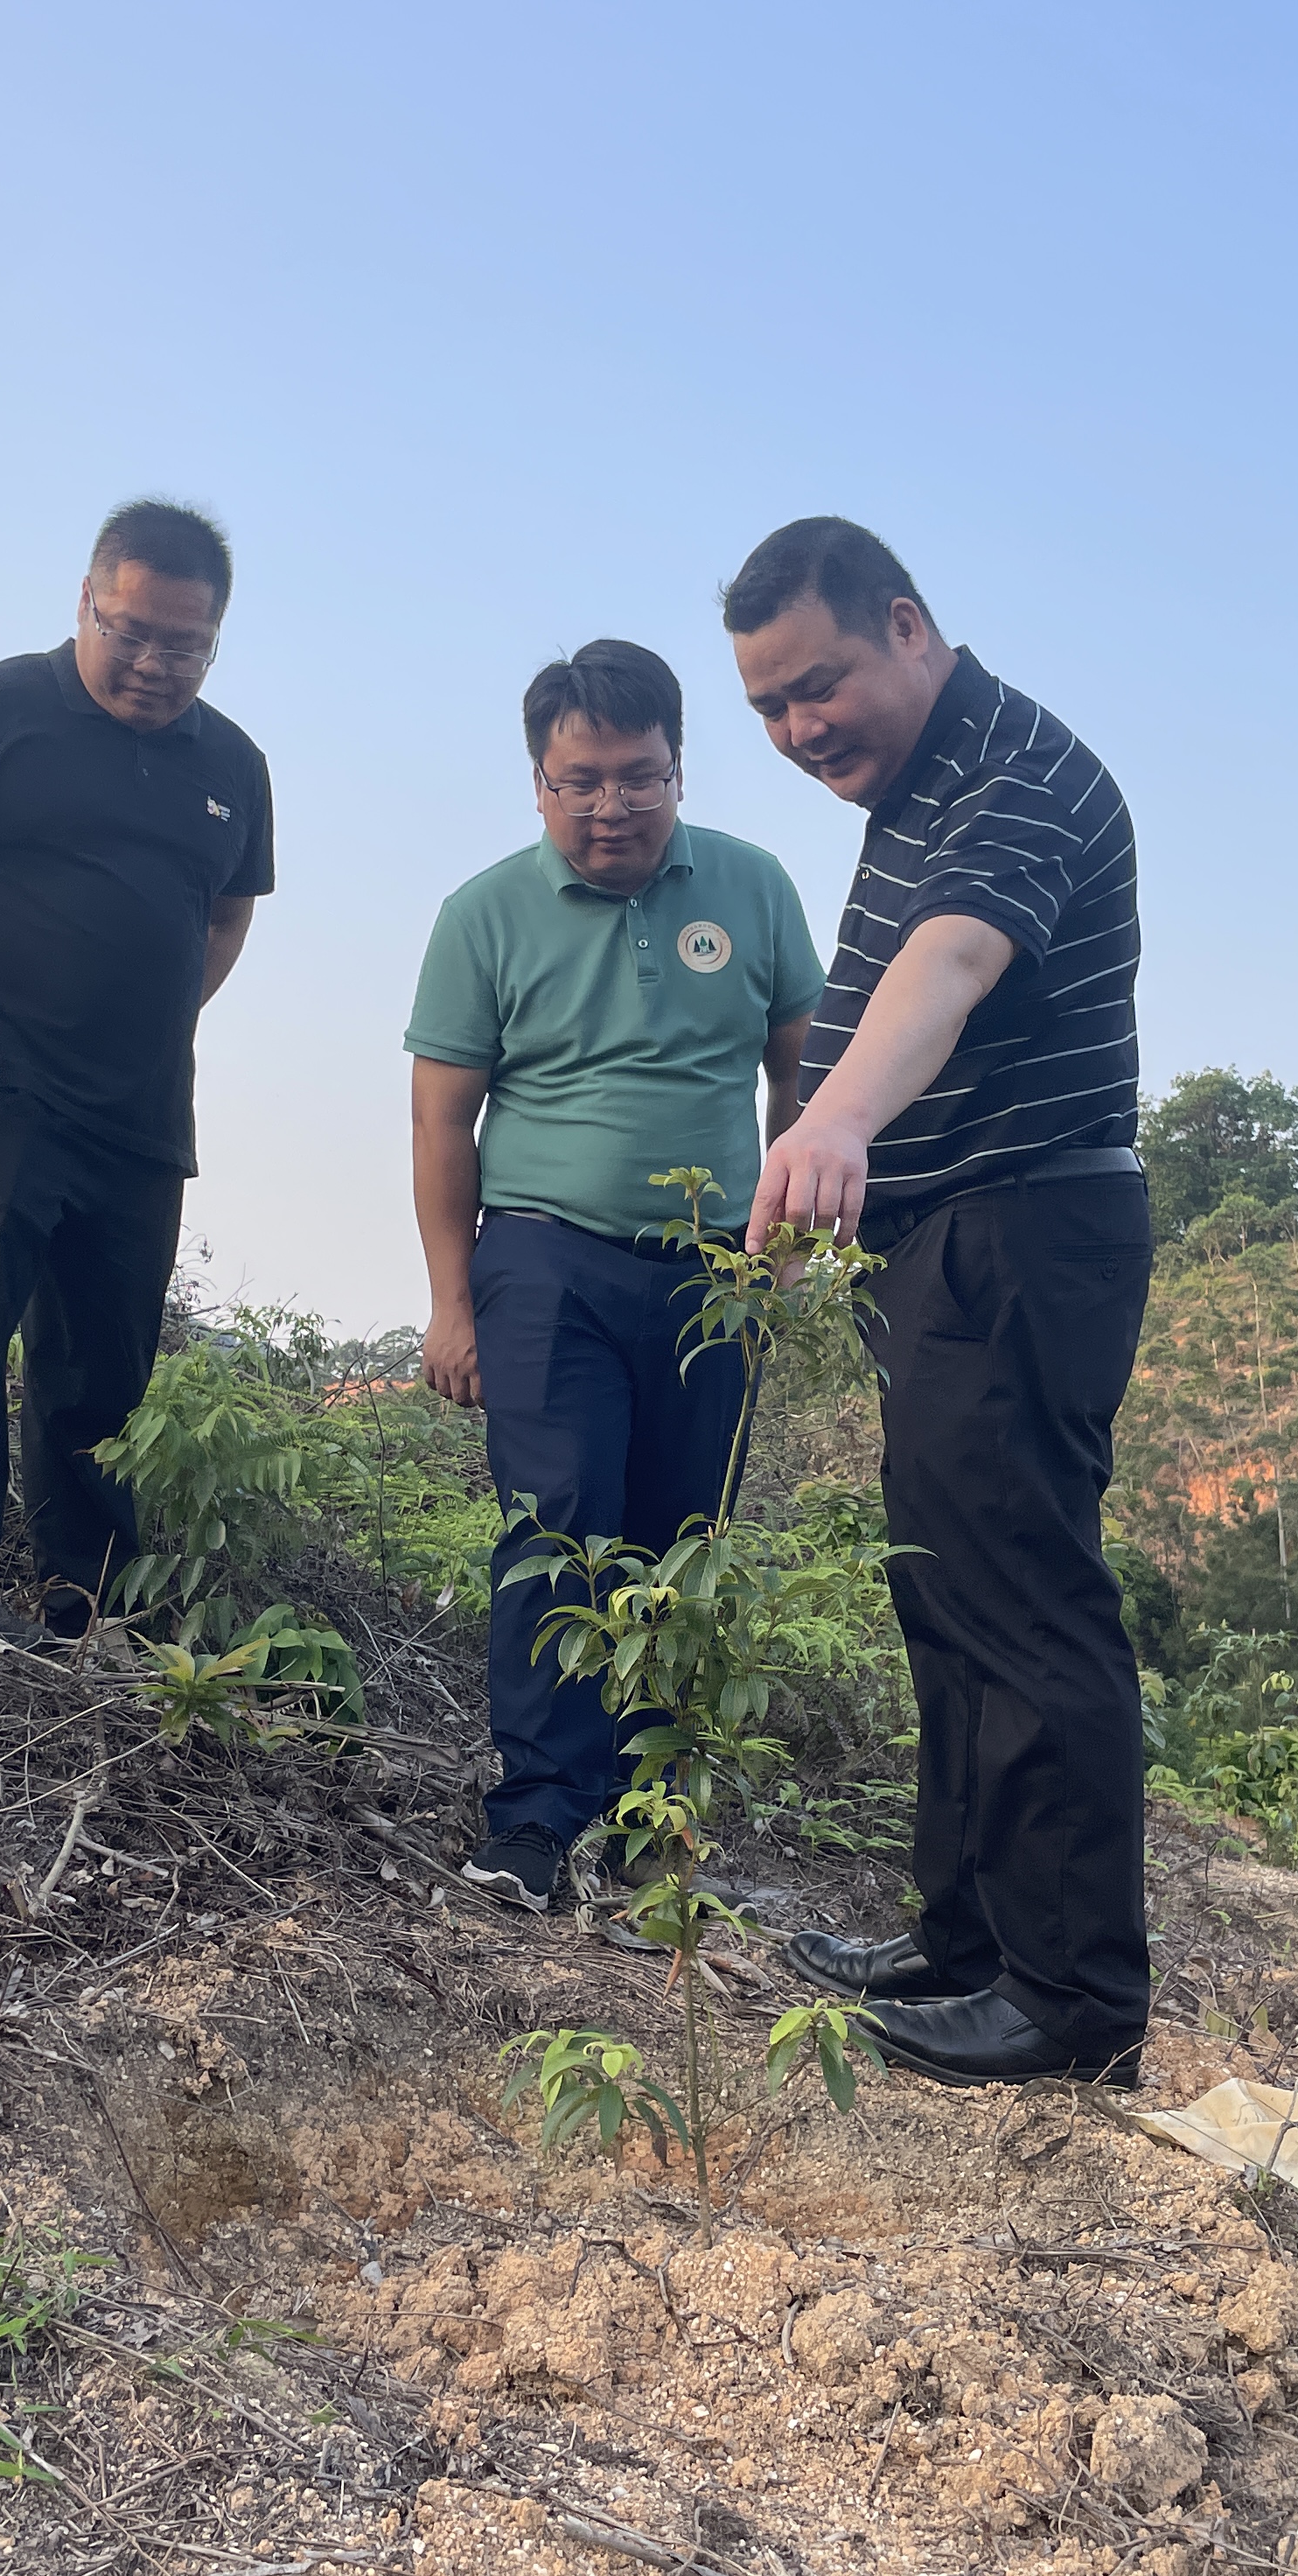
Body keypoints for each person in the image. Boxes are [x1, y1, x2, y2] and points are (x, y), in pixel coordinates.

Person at [722, 517, 1154, 2087]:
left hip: (1022, 1230)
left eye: (819, 683)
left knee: (1025, 1604)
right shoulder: (918, 785)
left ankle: (1070, 1994)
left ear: (908, 625)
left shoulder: (1009, 773)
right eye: (769, 708)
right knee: (950, 1594)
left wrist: (832, 1116)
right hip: (952, 1241)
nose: (799, 729)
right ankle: (969, 1937)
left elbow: (954, 963)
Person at [403, 640, 822, 1912]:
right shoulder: (484, 914)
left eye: (637, 779)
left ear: (679, 769)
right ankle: (533, 1826)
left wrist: (785, 1243)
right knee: (557, 1528)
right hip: (543, 1256)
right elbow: (440, 1121)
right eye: (578, 783)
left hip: (712, 1277)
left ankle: (653, 1842)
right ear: (538, 782)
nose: (609, 809)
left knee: (682, 1540)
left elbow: (799, 1069)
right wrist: (449, 1300)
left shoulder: (752, 888)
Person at [0, 500, 272, 1642]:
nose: (153, 662)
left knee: (103, 1365)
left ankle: (88, 1599)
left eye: (184, 644)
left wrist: (158, 1012)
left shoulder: (233, 763)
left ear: (215, 638)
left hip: (139, 1113)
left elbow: (228, 918)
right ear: (87, 602)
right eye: (128, 630)